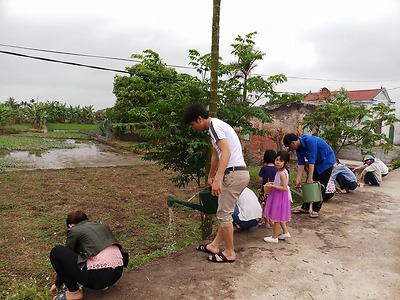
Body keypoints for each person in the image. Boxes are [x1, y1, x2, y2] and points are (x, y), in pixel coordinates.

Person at [184, 103, 250, 263]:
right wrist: (211, 175)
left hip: (233, 174)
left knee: (224, 214)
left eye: (193, 125)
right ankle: (214, 245)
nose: (193, 128)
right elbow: (217, 154)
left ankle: (229, 253)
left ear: (199, 119)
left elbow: (226, 152)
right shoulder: (216, 127)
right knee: (225, 212)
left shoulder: (215, 126)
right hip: (238, 173)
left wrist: (218, 179)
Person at [49, 210, 129, 300]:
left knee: (57, 252)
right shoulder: (102, 226)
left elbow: (66, 258)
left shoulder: (74, 230)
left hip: (99, 278)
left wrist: (58, 283)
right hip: (117, 272)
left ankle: (74, 292)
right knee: (95, 254)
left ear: (71, 225)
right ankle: (103, 286)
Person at [284, 133, 336, 218]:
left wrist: (310, 178)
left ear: (293, 143)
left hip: (326, 162)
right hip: (316, 163)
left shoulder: (310, 141)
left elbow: (311, 161)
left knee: (320, 186)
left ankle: (316, 210)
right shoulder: (299, 148)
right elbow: (301, 163)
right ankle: (306, 207)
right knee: (308, 185)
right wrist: (298, 179)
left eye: (290, 146)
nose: (290, 149)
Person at [263, 151, 292, 243]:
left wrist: (272, 186)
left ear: (285, 163)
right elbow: (279, 183)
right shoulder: (279, 172)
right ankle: (285, 232)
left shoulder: (282, 174)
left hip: (280, 197)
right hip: (278, 196)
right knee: (280, 216)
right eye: (276, 160)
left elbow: (284, 188)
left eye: (281, 161)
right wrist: (272, 183)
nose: (278, 162)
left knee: (277, 217)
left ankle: (274, 237)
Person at [257, 149, 277, 227]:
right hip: (274, 191)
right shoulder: (276, 169)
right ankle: (272, 221)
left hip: (265, 191)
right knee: (272, 206)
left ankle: (267, 222)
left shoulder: (264, 168)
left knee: (265, 206)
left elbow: (259, 179)